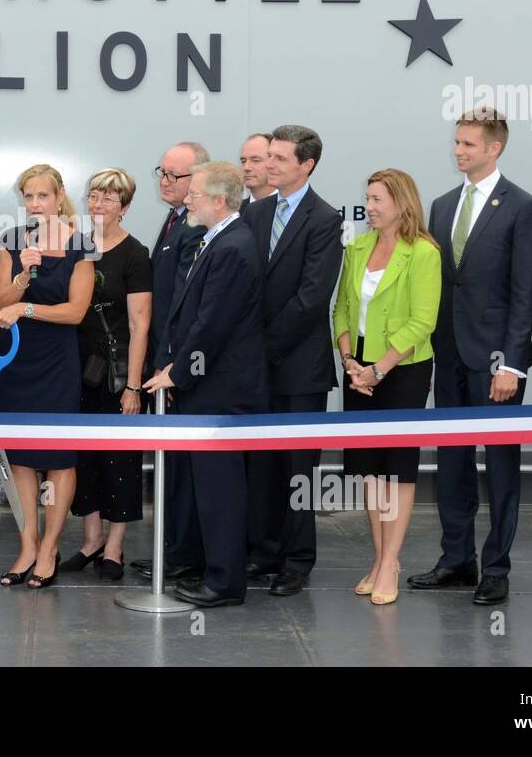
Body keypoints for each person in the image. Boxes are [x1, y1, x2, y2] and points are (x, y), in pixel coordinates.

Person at [409, 109, 532, 606]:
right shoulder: (443, 206)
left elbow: (524, 292)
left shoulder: (523, 207)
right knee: (452, 461)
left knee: (502, 465)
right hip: (448, 355)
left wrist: (512, 363)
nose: (459, 150)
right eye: (457, 142)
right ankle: (456, 560)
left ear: (495, 148)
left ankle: (497, 568)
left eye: (468, 143)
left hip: (496, 362)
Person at [144, 161, 267, 608]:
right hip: (208, 386)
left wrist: (177, 372)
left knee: (222, 492)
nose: (187, 199)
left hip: (222, 392)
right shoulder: (218, 240)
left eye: (194, 193)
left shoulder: (233, 247)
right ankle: (216, 572)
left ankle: (225, 582)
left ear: (218, 200)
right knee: (211, 490)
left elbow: (212, 324)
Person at [241, 125, 343, 596]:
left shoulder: (324, 219)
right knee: (260, 468)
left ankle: (297, 561)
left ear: (307, 165)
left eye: (281, 159)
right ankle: (263, 553)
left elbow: (310, 298)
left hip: (298, 368)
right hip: (255, 368)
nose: (270, 165)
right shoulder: (255, 211)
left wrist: (261, 348)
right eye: (269, 157)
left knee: (298, 470)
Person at [332, 169, 441, 606]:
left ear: (402, 203)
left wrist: (379, 368)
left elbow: (422, 321)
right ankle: (378, 560)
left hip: (403, 372)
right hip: (357, 370)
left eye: (378, 199)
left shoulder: (424, 252)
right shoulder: (357, 247)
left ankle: (392, 561)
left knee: (397, 470)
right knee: (369, 471)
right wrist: (350, 362)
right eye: (368, 198)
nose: (370, 207)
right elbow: (340, 308)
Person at [0, 163, 95, 589]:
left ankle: (50, 547)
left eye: (43, 196)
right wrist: (22, 274)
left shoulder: (82, 244)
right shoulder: (13, 241)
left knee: (59, 457)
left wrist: (28, 308)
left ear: (59, 196)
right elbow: (1, 301)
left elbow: (76, 313)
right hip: (17, 361)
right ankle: (28, 546)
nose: (36, 204)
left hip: (58, 361)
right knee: (20, 457)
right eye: (29, 197)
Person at [62, 168, 151, 580]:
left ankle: (115, 546)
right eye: (94, 196)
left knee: (121, 460)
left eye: (109, 199)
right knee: (83, 458)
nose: (98, 205)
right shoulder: (72, 246)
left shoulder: (136, 254)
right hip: (74, 368)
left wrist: (134, 386)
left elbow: (139, 325)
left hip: (118, 373)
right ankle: (91, 539)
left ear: (125, 207)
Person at [133, 141, 208, 583]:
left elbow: (186, 301)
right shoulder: (175, 218)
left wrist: (173, 363)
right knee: (171, 466)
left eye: (175, 176)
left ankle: (183, 555)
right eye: (161, 171)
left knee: (183, 468)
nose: (164, 180)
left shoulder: (196, 227)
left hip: (179, 365)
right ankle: (173, 549)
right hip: (165, 358)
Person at [239, 131, 275, 212]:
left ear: (274, 163)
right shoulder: (235, 214)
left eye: (255, 160)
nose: (246, 167)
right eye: (243, 161)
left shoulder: (288, 210)